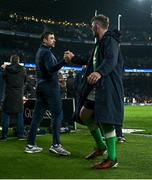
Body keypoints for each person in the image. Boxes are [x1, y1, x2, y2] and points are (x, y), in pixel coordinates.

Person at [65, 14, 124, 169]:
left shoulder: (110, 40)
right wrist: (73, 58)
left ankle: (112, 158)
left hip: (107, 86)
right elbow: (88, 59)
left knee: (106, 120)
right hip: (98, 87)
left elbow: (111, 60)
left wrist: (99, 72)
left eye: (91, 26)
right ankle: (101, 146)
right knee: (84, 114)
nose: (91, 28)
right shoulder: (100, 43)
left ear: (96, 26)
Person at [25, 32, 71, 156]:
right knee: (57, 114)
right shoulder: (46, 52)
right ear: (44, 40)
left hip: (41, 87)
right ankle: (56, 145)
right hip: (50, 87)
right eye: (51, 38)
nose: (54, 40)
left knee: (37, 117)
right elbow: (51, 69)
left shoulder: (41, 51)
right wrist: (64, 61)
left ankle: (30, 144)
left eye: (54, 38)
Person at [0, 55, 26, 140]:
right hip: (18, 95)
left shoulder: (7, 69)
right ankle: (20, 135)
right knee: (19, 115)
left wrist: (3, 69)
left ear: (11, 61)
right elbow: (25, 80)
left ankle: (4, 135)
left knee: (6, 115)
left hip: (8, 94)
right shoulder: (23, 69)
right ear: (18, 61)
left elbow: (3, 78)